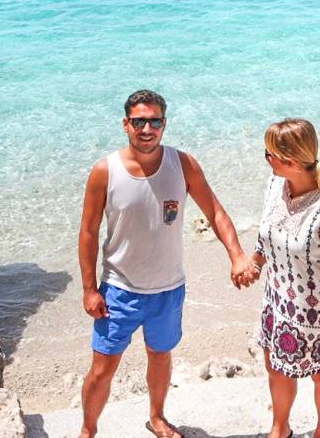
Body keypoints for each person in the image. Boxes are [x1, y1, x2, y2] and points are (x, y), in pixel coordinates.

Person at [77, 89, 258, 438]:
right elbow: (88, 232)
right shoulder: (105, 171)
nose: (147, 129)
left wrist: (237, 255)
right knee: (102, 368)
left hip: (169, 288)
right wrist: (89, 289)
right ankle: (87, 430)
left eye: (154, 121)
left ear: (164, 124)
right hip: (118, 290)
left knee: (160, 355)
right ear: (126, 124)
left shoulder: (183, 164)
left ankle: (157, 418)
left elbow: (215, 212)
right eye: (139, 122)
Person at [253, 118, 320, 438]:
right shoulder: (275, 186)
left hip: (319, 315)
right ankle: (280, 428)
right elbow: (267, 233)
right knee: (276, 367)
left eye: (269, 154)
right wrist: (254, 263)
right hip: (278, 302)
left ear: (292, 161)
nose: (266, 159)